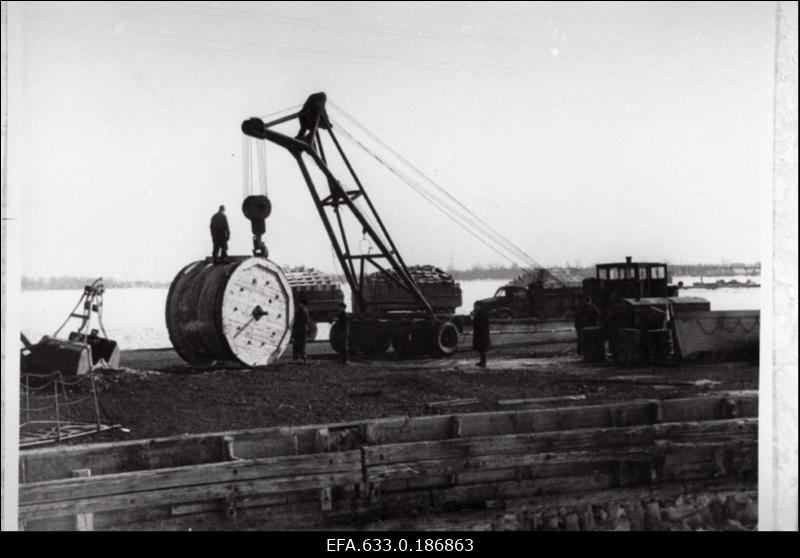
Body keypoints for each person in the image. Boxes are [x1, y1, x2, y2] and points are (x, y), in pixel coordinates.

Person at [291, 299, 311, 364]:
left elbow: (303, 321)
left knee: (300, 344)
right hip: (300, 329)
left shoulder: (303, 311)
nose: (299, 304)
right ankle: (300, 358)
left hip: (301, 329)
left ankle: (301, 358)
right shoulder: (302, 310)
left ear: (303, 304)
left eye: (301, 303)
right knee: (299, 344)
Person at [472, 301, 491, 367]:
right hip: (480, 333)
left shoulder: (482, 314)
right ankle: (482, 361)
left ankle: (483, 362)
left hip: (482, 333)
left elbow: (481, 324)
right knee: (481, 349)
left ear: (480, 306)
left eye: (476, 306)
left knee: (482, 349)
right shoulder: (480, 313)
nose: (474, 307)